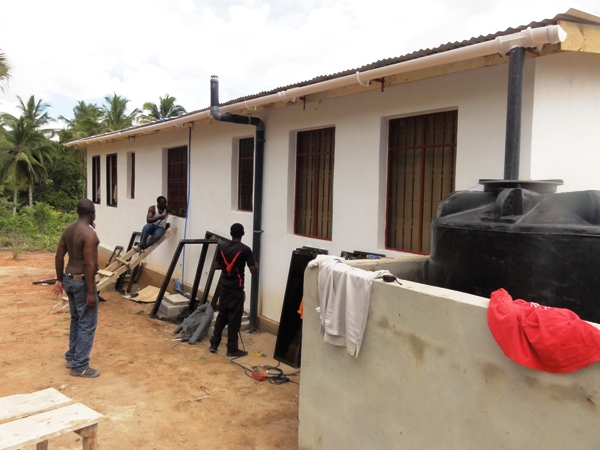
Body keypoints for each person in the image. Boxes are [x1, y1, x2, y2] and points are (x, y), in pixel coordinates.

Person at [53, 198, 101, 378]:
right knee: (87, 323)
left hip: (68, 280)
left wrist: (59, 279)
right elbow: (89, 265)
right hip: (82, 282)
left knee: (76, 320)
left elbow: (59, 255)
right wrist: (91, 292)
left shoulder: (69, 229)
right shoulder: (89, 234)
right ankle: (80, 365)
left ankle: (72, 357)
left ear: (78, 212)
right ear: (93, 213)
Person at [209, 223, 258, 357]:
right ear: (243, 234)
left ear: (231, 233)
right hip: (236, 289)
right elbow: (253, 270)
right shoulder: (245, 250)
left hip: (224, 288)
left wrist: (227, 267)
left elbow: (215, 265)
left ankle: (214, 344)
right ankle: (232, 349)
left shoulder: (222, 247)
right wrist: (256, 265)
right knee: (234, 319)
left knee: (222, 316)